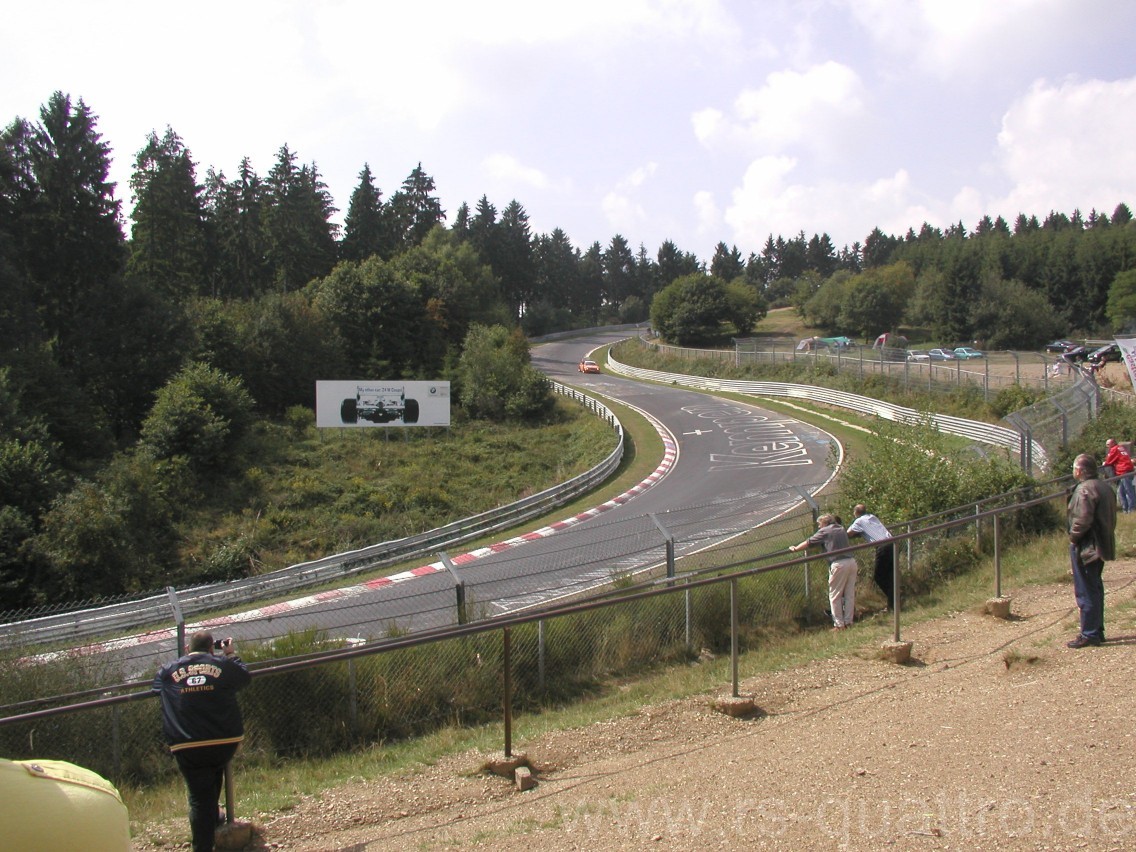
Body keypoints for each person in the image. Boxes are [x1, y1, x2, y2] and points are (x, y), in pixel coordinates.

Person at [153, 631, 251, 852]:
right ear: (211, 649)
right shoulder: (222, 663)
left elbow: (157, 688)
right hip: (225, 741)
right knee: (212, 774)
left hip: (186, 743)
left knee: (199, 797)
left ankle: (202, 846)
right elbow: (244, 677)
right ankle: (214, 817)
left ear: (187, 649)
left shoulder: (168, 670)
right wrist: (230, 654)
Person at [1066, 454, 1116, 648]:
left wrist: (1073, 538)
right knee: (1095, 587)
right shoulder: (1105, 487)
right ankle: (1097, 629)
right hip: (1102, 543)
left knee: (1086, 589)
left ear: (1079, 470)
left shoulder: (1085, 490)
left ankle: (1089, 632)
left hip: (1088, 546)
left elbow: (1082, 519)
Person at [789, 513, 858, 630]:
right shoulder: (841, 529)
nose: (819, 527)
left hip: (838, 564)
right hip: (851, 561)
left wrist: (795, 548)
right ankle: (848, 621)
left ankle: (839, 624)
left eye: (819, 524)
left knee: (835, 595)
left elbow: (809, 542)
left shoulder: (825, 531)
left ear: (825, 523)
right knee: (849, 594)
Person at [846, 504, 895, 610]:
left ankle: (895, 599)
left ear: (856, 513)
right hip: (891, 543)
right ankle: (893, 603)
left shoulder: (858, 521)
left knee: (879, 576)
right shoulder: (872, 517)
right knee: (890, 575)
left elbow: (848, 534)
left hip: (882, 546)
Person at [1103, 438, 1134, 513]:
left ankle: (1131, 509)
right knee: (1120, 491)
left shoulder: (1114, 449)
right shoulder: (1121, 448)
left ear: (1113, 443)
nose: (1107, 446)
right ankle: (1125, 509)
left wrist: (1105, 463)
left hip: (1124, 470)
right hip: (1126, 470)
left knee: (1128, 490)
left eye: (1108, 444)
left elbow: (1108, 461)